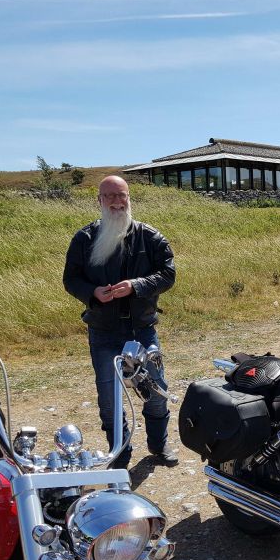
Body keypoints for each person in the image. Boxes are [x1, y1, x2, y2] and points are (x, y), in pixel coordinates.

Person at [63, 175, 177, 468]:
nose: (116, 201)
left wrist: (137, 285)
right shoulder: (84, 238)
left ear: (129, 198)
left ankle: (158, 444)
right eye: (109, 196)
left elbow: (168, 274)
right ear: (99, 201)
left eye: (121, 195)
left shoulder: (150, 237)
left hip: (142, 329)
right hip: (103, 330)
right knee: (109, 398)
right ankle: (120, 451)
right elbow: (71, 279)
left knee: (156, 390)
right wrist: (92, 293)